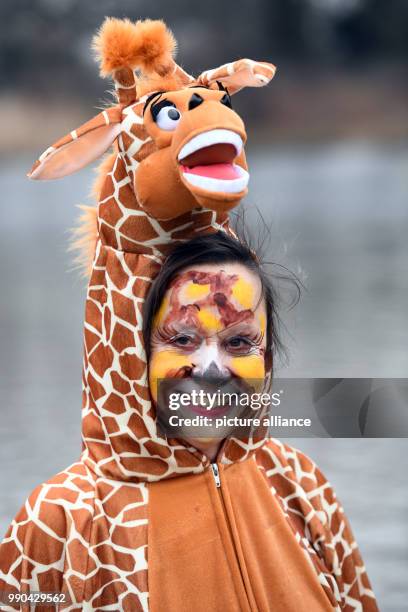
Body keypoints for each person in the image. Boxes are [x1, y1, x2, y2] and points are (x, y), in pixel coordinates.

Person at [0, 230, 379, 611]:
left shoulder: (301, 486)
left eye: (239, 342)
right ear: (134, 351)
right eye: (182, 339)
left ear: (266, 356)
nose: (212, 370)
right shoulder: (61, 519)